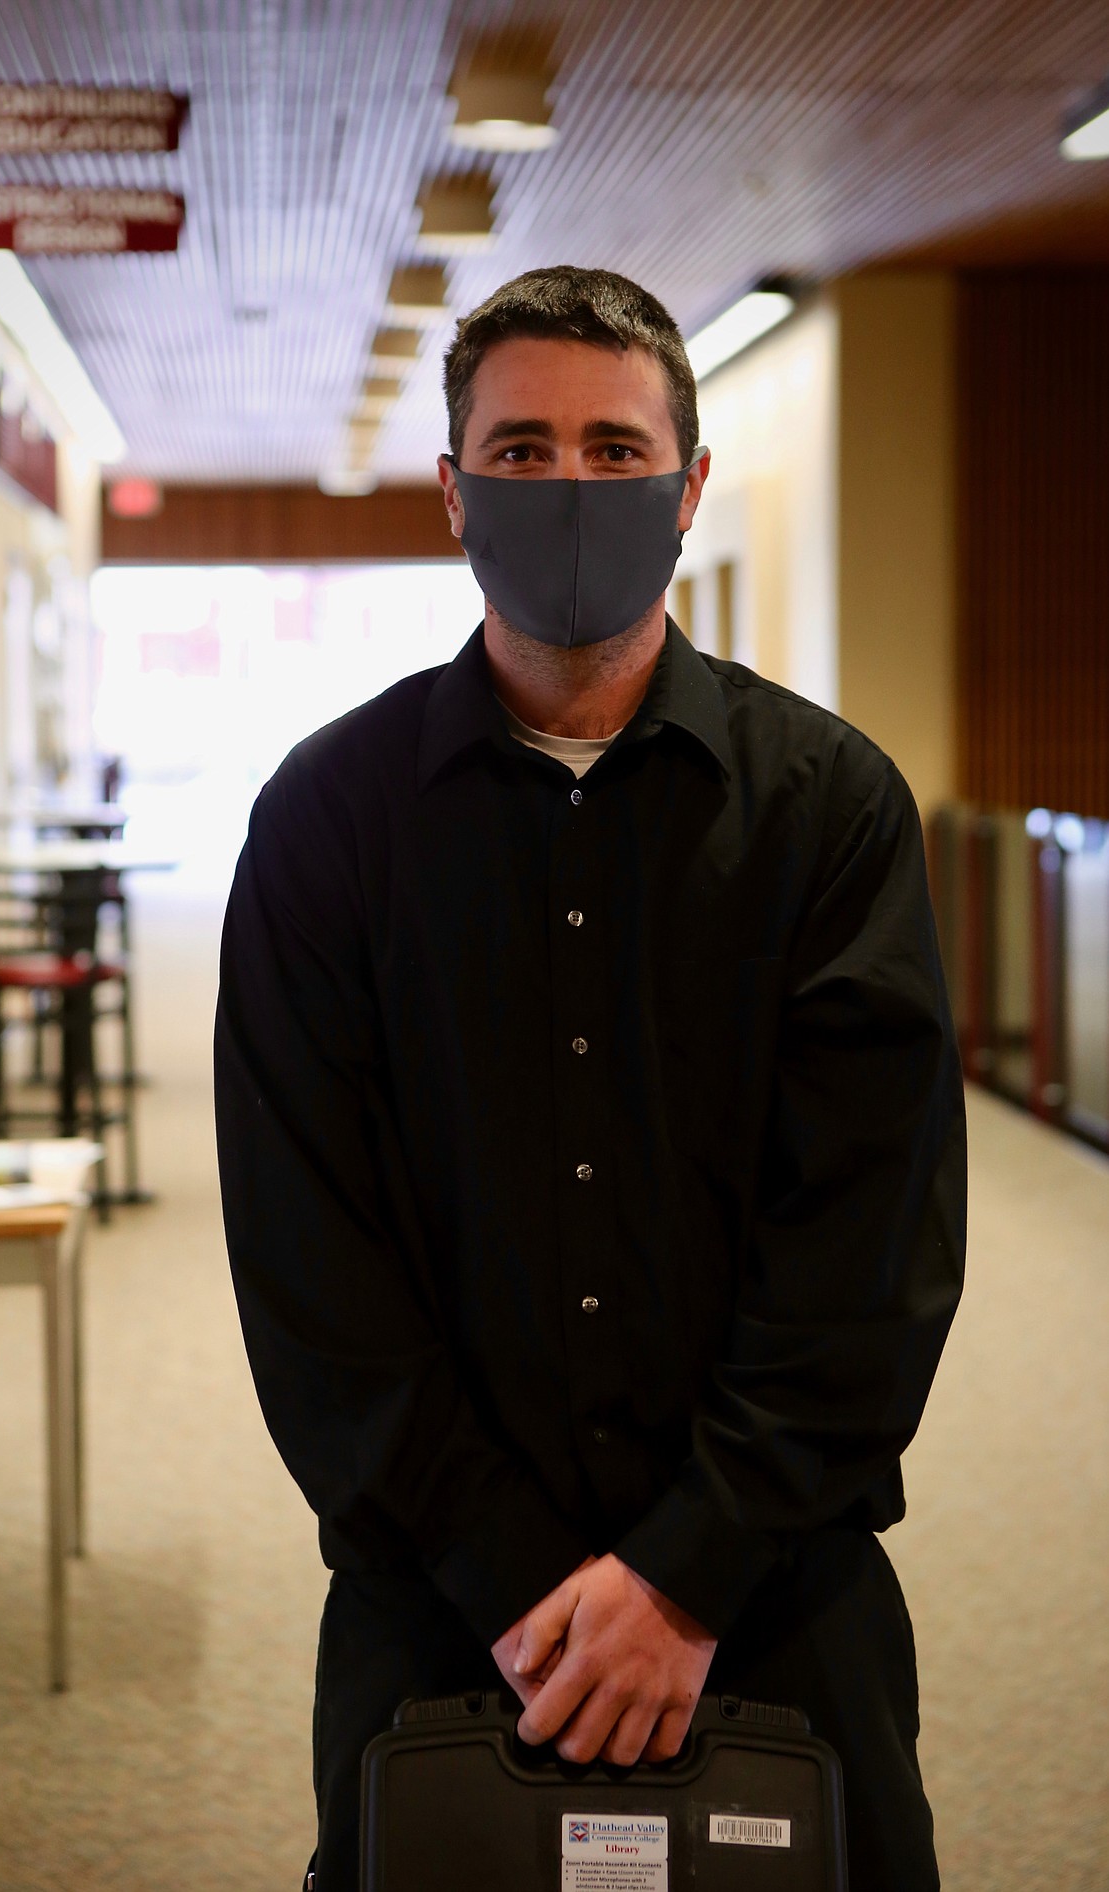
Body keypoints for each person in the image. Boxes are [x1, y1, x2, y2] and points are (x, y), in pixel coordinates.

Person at [214, 265, 966, 1891]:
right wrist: (511, 1576)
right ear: (452, 487)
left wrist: (682, 1578)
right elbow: (307, 1258)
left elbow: (869, 1245)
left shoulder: (830, 812)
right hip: (439, 1593)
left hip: (773, 1576)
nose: (570, 486)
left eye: (616, 451)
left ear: (689, 487)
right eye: (525, 448)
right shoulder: (329, 821)